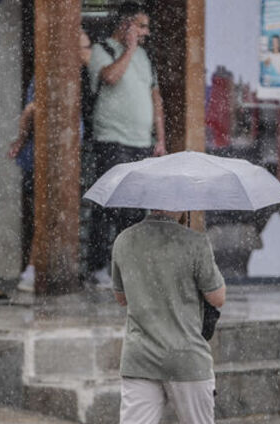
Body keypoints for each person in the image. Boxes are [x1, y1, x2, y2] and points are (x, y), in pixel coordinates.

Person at [110, 209, 254, 424]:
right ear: (177, 208)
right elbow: (217, 296)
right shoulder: (194, 243)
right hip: (186, 359)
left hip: (139, 357)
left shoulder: (124, 241)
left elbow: (121, 298)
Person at [87, 2, 167, 289]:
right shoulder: (102, 50)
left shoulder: (146, 58)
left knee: (135, 209)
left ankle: (127, 268)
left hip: (141, 143)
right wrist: (129, 49)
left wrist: (160, 139)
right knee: (109, 204)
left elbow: (155, 98)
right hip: (112, 139)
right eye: (141, 26)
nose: (145, 32)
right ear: (125, 25)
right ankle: (98, 266)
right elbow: (109, 77)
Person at [9, 30, 94, 292]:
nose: (89, 51)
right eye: (85, 46)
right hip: (47, 160)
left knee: (54, 216)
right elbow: (32, 109)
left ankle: (49, 271)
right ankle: (34, 271)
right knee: (46, 216)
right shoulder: (51, 74)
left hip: (62, 160)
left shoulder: (75, 76)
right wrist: (22, 139)